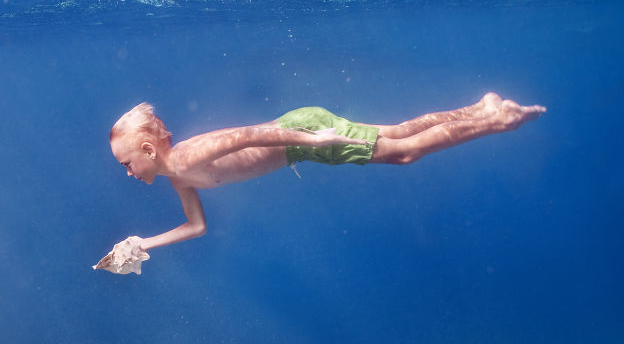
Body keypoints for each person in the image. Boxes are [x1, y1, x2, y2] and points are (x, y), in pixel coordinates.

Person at [94, 92, 545, 274]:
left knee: (405, 152)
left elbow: (252, 134)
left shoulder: (187, 156)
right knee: (399, 132)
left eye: (126, 164)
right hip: (302, 135)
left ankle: (498, 121)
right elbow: (197, 228)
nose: (128, 173)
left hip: (302, 137)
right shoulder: (177, 175)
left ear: (148, 152)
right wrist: (143, 242)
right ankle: (482, 109)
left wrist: (315, 138)